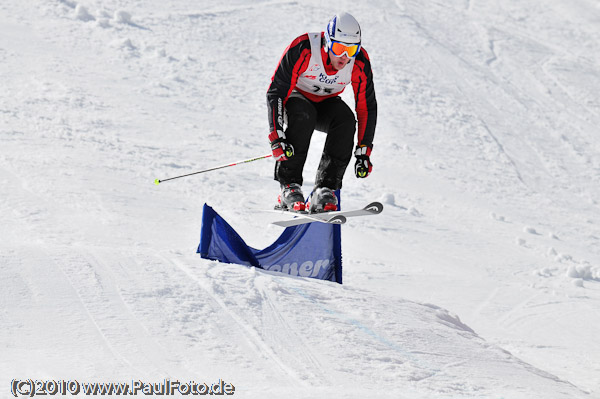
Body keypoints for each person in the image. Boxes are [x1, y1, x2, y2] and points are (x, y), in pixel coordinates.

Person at [267, 12, 377, 213]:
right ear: (327, 41)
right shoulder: (304, 48)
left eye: (352, 49)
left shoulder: (359, 62)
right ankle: (289, 185)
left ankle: (325, 188)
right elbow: (277, 91)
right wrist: (277, 136)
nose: (345, 56)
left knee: (345, 120)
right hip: (297, 97)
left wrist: (364, 150)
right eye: (339, 48)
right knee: (303, 115)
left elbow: (366, 107)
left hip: (327, 102)